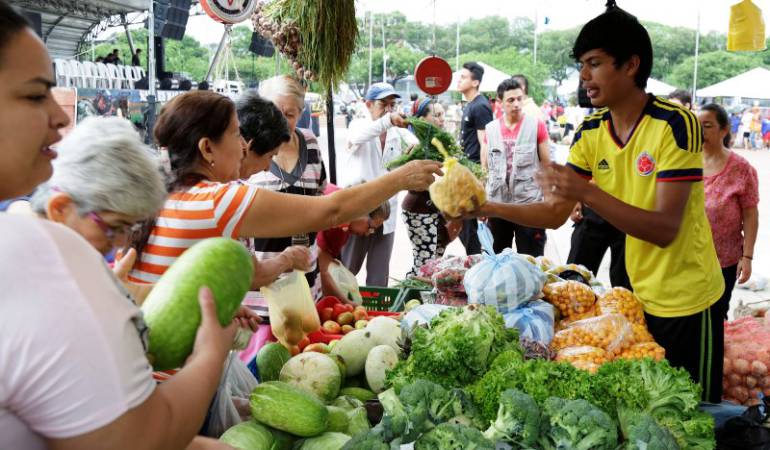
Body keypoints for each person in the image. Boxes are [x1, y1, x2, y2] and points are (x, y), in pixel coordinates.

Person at [0, 4, 251, 448]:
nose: (60, 116)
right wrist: (211, 353)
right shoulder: (41, 253)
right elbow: (140, 440)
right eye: (36, 95)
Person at [468, 5, 725, 403]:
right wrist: (489, 207)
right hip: (636, 296)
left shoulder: (675, 123)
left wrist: (587, 194)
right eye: (581, 66)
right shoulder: (590, 130)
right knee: (653, 409)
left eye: (594, 63)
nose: (584, 76)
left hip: (688, 300)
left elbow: (664, 228)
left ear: (631, 65)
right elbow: (554, 215)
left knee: (696, 410)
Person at [128, 89, 440, 286]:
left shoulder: (169, 193)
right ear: (207, 149)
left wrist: (286, 260)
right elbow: (332, 210)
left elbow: (245, 276)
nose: (244, 145)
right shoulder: (217, 200)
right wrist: (400, 178)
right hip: (175, 375)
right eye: (236, 135)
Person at [247, 76, 328, 297]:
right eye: (274, 112)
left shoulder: (310, 143)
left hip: (305, 275)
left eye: (290, 114)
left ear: (301, 113)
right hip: (262, 282)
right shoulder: (247, 151)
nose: (281, 121)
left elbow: (322, 196)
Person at [337, 82, 418, 286]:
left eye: (392, 105)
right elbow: (359, 136)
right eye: (383, 104)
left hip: (385, 215)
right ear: (368, 104)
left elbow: (415, 143)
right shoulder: (358, 125)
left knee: (379, 276)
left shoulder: (397, 133)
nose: (388, 109)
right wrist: (388, 120)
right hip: (359, 212)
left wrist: (417, 148)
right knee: (347, 269)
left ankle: (376, 313)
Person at [699, 103, 759, 320]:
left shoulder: (741, 168)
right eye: (697, 126)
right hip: (688, 256)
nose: (701, 132)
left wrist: (747, 256)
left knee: (716, 315)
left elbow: (751, 214)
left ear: (724, 130)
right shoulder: (684, 161)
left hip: (723, 259)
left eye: (707, 126)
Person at [482, 78, 550, 256]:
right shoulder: (490, 129)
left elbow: (547, 166)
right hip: (498, 204)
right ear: (500, 103)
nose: (516, 104)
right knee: (495, 259)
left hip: (528, 204)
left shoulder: (536, 125)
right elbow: (485, 169)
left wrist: (549, 202)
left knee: (530, 261)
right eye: (511, 100)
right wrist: (483, 203)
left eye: (520, 98)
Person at [402, 98, 463, 275]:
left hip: (438, 211)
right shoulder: (416, 147)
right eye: (436, 115)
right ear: (421, 119)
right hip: (420, 210)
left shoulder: (443, 144)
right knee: (425, 264)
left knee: (435, 261)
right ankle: (415, 296)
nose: (441, 119)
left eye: (443, 114)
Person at [316, 184, 390, 301]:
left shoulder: (344, 209)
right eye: (370, 227)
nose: (367, 234)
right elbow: (323, 270)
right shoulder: (335, 221)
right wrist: (349, 304)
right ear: (362, 211)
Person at [457, 62, 492, 255]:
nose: (459, 80)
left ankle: (475, 262)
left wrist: (482, 175)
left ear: (476, 82)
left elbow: (485, 142)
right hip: (465, 172)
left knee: (470, 224)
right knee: (463, 222)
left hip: (474, 172)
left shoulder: (480, 106)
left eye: (463, 77)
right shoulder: (470, 105)